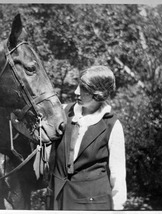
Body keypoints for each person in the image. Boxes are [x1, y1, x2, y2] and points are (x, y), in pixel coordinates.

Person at [52, 65, 127, 210]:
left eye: (83, 89)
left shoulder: (112, 125)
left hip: (92, 204)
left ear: (97, 93)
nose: (76, 92)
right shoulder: (63, 112)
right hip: (58, 199)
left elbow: (118, 173)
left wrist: (117, 207)